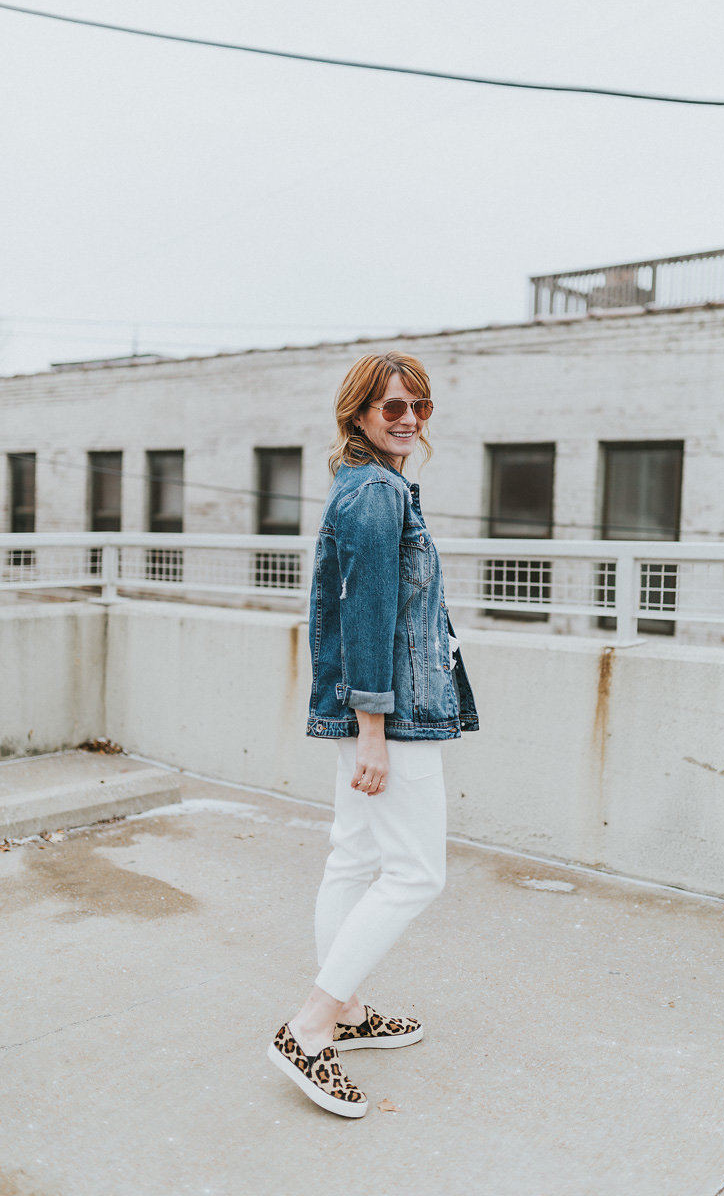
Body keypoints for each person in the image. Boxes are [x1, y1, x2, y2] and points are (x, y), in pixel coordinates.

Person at [267, 351, 479, 1118]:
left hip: (372, 709)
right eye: (392, 408)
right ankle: (308, 1028)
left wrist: (363, 726)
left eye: (419, 407)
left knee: (355, 857)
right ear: (358, 414)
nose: (409, 420)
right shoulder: (376, 495)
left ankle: (347, 1011)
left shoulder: (361, 486)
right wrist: (375, 734)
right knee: (417, 873)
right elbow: (367, 618)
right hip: (393, 714)